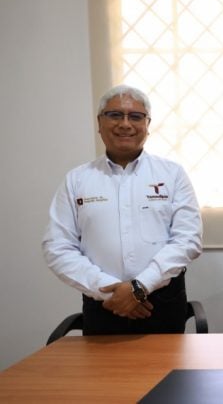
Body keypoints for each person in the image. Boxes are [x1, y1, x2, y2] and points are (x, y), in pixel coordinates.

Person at [43, 85, 203, 335]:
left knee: (166, 363)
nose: (125, 124)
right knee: (103, 363)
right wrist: (110, 291)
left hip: (162, 303)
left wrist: (140, 287)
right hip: (103, 303)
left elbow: (188, 239)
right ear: (100, 122)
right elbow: (57, 246)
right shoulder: (77, 180)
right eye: (115, 115)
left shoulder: (172, 174)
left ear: (147, 125)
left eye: (136, 116)